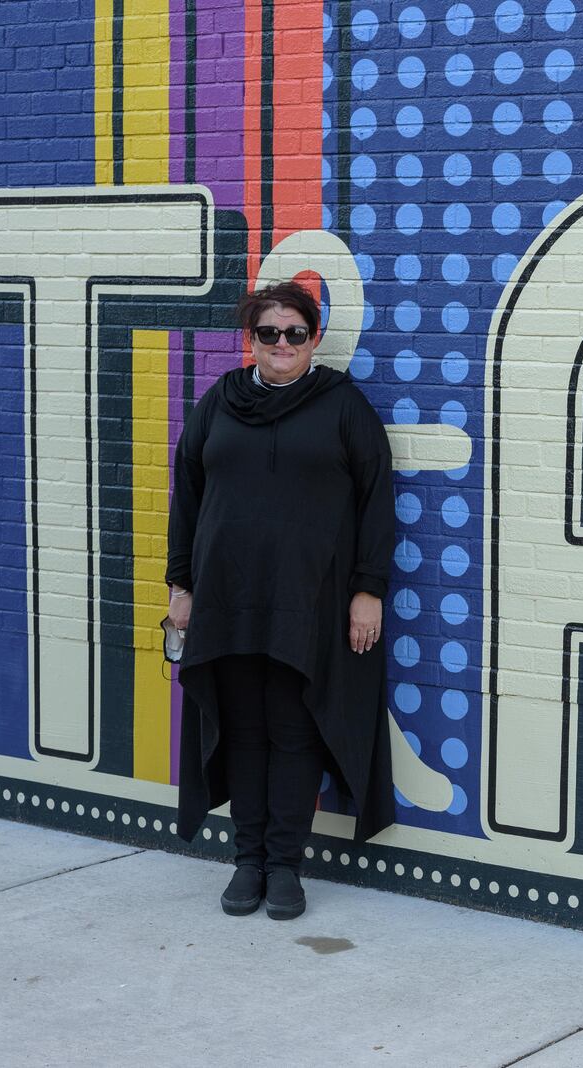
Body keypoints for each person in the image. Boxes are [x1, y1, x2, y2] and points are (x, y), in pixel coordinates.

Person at [165, 280, 396, 919]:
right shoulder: (220, 402)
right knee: (241, 731)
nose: (283, 343)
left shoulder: (344, 406)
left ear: (314, 338)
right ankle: (248, 861)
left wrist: (367, 591)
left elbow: (377, 502)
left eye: (295, 332)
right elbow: (186, 494)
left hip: (310, 603)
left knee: (294, 732)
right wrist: (180, 587)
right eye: (269, 332)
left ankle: (286, 865)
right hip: (227, 599)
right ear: (252, 340)